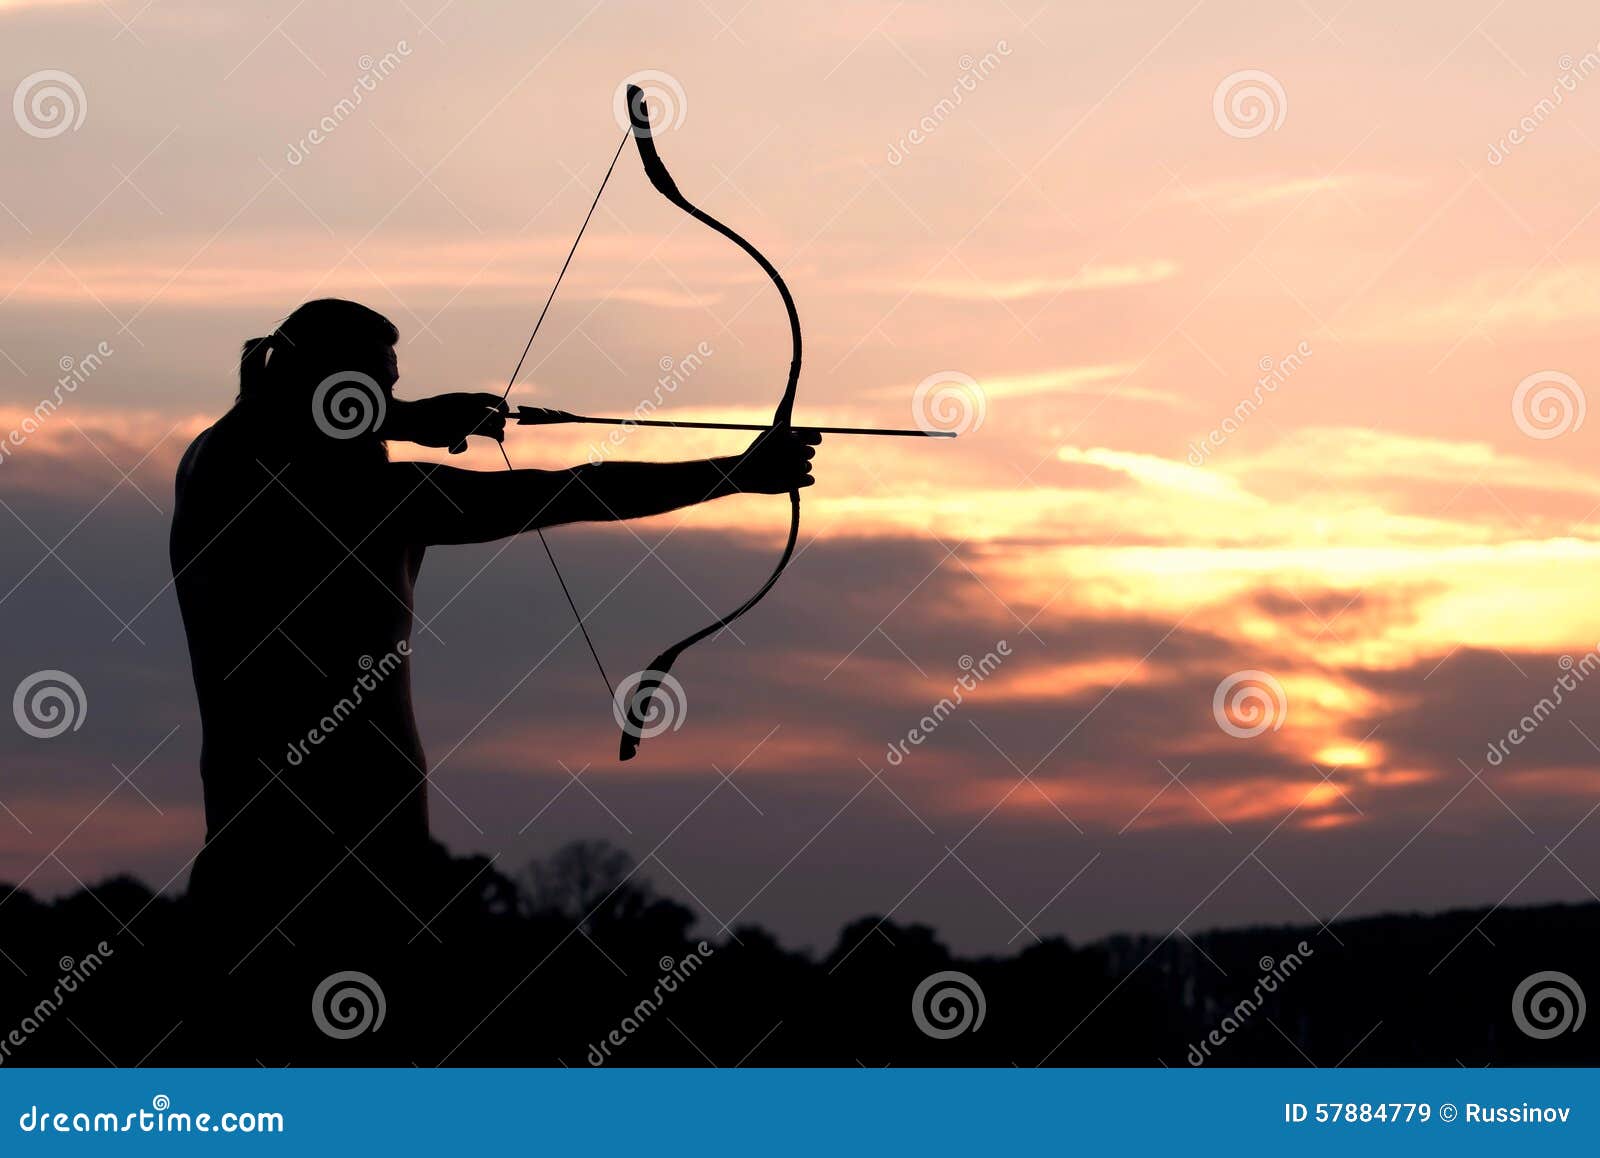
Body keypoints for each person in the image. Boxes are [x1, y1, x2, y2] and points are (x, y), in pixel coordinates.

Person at [168, 298, 818, 1061]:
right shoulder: (307, 484)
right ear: (320, 390)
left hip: (375, 844)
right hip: (283, 847)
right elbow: (565, 490)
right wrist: (733, 473)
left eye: (391, 386)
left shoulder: (250, 463)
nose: (386, 405)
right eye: (369, 388)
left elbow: (288, 422)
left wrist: (402, 418)